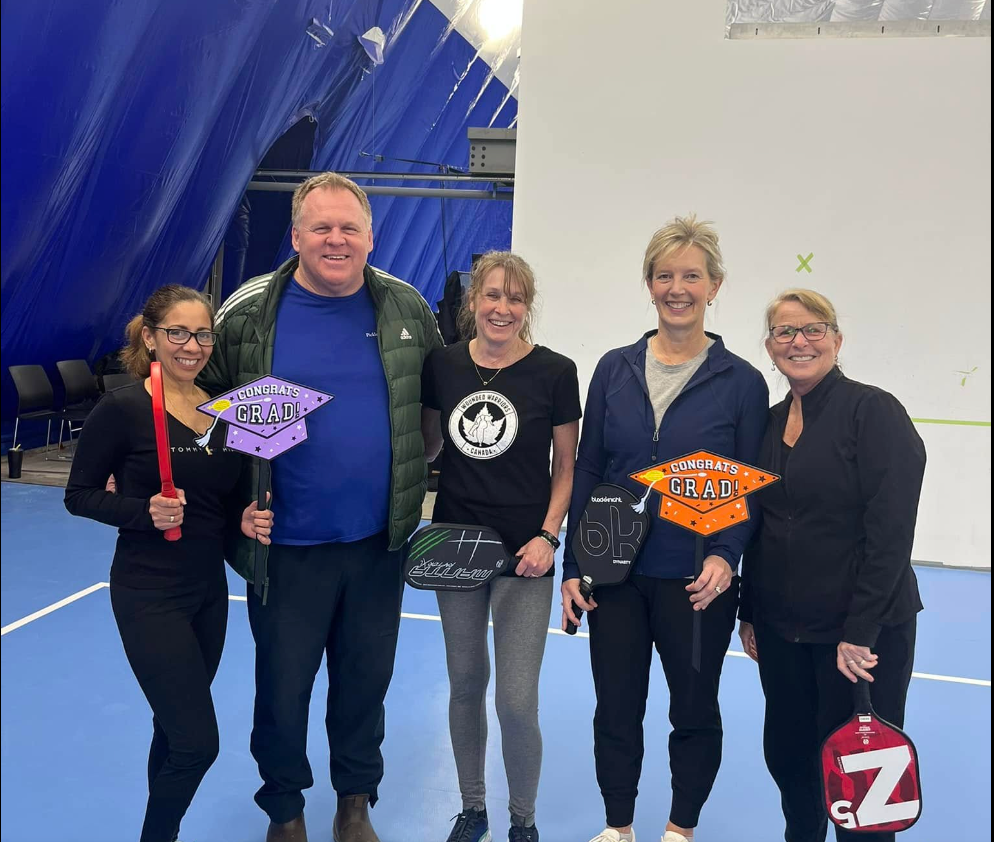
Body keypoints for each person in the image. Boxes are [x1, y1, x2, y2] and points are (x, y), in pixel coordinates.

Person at [199, 172, 442, 842]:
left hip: (376, 545)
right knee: (282, 691)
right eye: (322, 227)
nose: (336, 239)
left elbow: (434, 401)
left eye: (349, 228)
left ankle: (354, 800)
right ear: (297, 235)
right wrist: (232, 513)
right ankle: (285, 807)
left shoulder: (405, 308)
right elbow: (200, 416)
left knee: (365, 682)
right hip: (285, 550)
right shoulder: (248, 313)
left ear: (370, 236)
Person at [562, 215, 769, 842]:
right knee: (616, 709)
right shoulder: (613, 368)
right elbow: (589, 467)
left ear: (715, 286)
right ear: (649, 285)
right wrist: (575, 564)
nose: (677, 287)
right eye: (664, 275)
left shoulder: (742, 382)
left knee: (695, 711)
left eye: (691, 275)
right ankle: (617, 827)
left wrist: (725, 555)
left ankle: (680, 828)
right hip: (615, 577)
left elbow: (748, 478)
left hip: (696, 580)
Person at [64, 285, 274, 842]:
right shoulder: (125, 408)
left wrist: (244, 519)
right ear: (152, 338)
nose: (192, 345)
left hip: (208, 595)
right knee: (197, 742)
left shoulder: (223, 408)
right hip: (148, 593)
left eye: (202, 333)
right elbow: (79, 494)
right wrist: (141, 511)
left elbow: (223, 500)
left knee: (172, 730)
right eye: (177, 332)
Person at [738, 289, 925, 842]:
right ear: (770, 347)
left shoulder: (874, 412)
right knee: (792, 761)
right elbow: (758, 526)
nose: (799, 342)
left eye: (813, 329)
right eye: (784, 332)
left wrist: (860, 632)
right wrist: (751, 611)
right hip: (783, 632)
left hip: (859, 637)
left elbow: (890, 532)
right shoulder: (767, 425)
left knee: (860, 782)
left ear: (837, 341)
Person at [421, 252, 581, 842]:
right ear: (472, 303)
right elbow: (430, 447)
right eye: (492, 295)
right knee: (465, 684)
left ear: (527, 307)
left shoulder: (556, 372)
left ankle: (523, 819)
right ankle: (473, 808)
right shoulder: (442, 365)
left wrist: (548, 536)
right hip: (456, 548)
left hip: (526, 555)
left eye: (515, 299)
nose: (502, 308)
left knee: (516, 701)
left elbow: (566, 467)